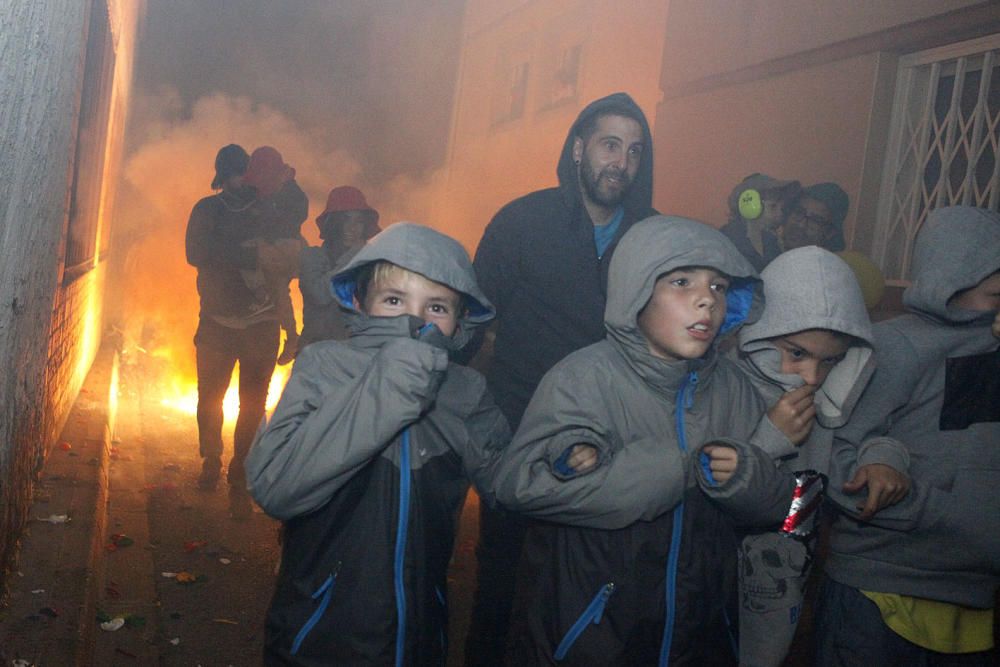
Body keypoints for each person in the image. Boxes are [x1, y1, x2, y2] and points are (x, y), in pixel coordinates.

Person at [490, 216, 789, 665]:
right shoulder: (585, 377)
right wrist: (667, 466)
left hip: (698, 633)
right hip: (593, 637)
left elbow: (779, 506)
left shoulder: (734, 387)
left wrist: (748, 476)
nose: (706, 300)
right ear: (637, 290)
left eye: (719, 287)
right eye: (681, 281)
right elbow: (517, 486)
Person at [245, 222, 511, 664]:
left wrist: (564, 457)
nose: (415, 321)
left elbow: (509, 481)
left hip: (418, 641)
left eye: (438, 307)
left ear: (460, 322)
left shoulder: (464, 392)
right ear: (360, 302)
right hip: (319, 640)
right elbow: (275, 485)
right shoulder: (324, 368)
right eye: (394, 300)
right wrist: (397, 380)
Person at [466, 91, 657, 662]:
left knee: (592, 589)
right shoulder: (523, 221)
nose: (620, 162)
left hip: (613, 442)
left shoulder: (652, 238)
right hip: (518, 432)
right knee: (502, 582)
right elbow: (471, 320)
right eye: (608, 144)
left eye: (633, 150)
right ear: (578, 148)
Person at [701, 246, 910, 666]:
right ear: (760, 333)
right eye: (796, 353)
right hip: (712, 580)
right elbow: (712, 488)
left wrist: (883, 456)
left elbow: (864, 435)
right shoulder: (722, 385)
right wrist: (771, 439)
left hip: (789, 578)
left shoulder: (836, 393)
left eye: (830, 360)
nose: (813, 377)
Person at [813, 206, 1000, 665]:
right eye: (996, 294)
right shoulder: (895, 345)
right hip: (882, 591)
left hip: (974, 601)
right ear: (955, 279)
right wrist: (929, 511)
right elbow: (833, 456)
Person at [185, 144, 280, 496]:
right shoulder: (208, 209)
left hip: (261, 324)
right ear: (222, 178)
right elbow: (194, 253)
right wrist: (244, 253)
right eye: (235, 173)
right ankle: (211, 460)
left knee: (253, 404)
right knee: (210, 398)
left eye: (245, 173)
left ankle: (240, 467)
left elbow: (287, 255)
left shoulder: (268, 210)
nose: (241, 180)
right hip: (217, 323)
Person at [239, 146, 309, 365]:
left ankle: (261, 296)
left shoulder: (285, 192)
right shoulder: (288, 189)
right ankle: (292, 336)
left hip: (282, 248)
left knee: (250, 253)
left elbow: (281, 219)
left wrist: (265, 238)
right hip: (289, 250)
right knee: (279, 291)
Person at [298, 185, 380, 349]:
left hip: (353, 357)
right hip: (315, 355)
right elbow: (320, 295)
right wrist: (354, 257)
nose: (352, 227)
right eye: (346, 220)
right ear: (334, 224)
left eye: (359, 221)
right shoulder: (312, 256)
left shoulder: (369, 266)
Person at [720, 173, 801, 272]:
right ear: (750, 207)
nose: (780, 212)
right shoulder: (732, 239)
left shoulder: (770, 238)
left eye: (781, 207)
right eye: (773, 206)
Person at [779, 182, 848, 253]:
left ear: (829, 232)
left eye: (815, 220)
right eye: (799, 212)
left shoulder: (825, 263)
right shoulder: (769, 246)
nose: (801, 225)